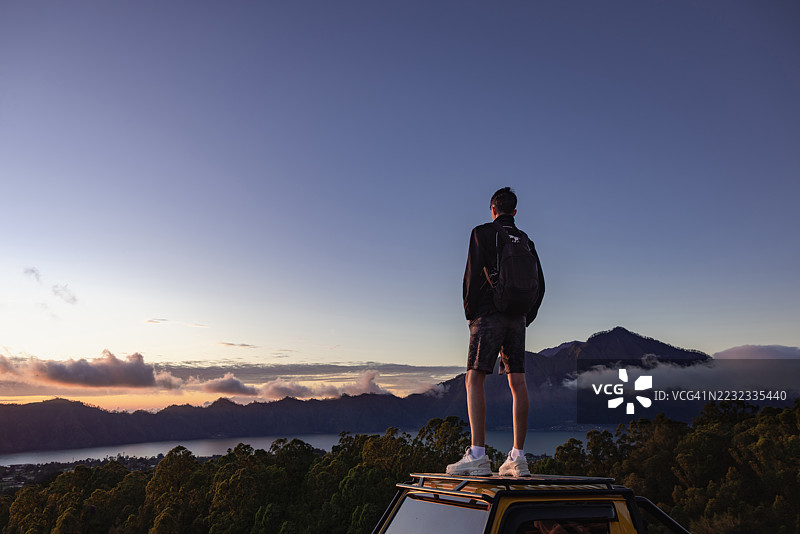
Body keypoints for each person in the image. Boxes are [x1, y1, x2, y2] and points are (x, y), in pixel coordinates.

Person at [446, 187, 545, 477]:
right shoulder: (525, 240)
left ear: (492, 210)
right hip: (518, 318)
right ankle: (518, 457)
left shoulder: (482, 233)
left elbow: (471, 276)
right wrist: (525, 318)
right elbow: (541, 285)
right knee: (518, 382)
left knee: (474, 378)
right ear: (514, 211)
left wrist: (470, 316)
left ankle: (477, 455)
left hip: (488, 315)